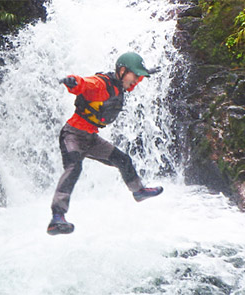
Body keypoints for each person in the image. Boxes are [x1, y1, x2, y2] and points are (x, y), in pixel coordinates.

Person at [47, 52, 163, 235]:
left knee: (123, 160)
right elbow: (84, 83)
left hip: (92, 139)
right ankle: (57, 218)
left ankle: (138, 191)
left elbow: (135, 80)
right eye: (135, 76)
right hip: (73, 135)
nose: (136, 81)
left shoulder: (122, 85)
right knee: (74, 167)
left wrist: (147, 72)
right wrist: (73, 81)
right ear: (123, 71)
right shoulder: (101, 84)